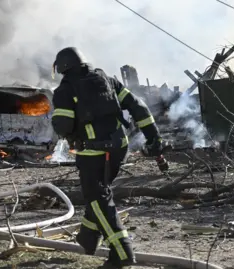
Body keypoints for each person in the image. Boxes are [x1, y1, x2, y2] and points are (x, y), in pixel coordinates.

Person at [51, 47, 164, 269]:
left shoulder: (65, 90)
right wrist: (154, 138)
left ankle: (121, 251)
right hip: (119, 148)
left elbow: (62, 124)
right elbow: (138, 106)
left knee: (97, 198)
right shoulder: (107, 80)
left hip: (92, 153)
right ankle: (88, 238)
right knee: (101, 192)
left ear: (63, 67)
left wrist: (66, 131)